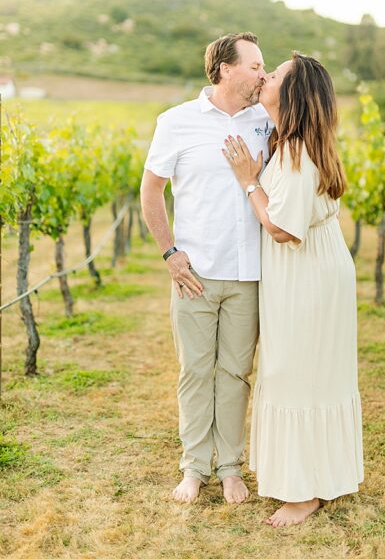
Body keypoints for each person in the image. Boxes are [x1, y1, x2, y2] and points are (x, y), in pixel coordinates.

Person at [222, 52, 363, 527]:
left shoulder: (299, 149)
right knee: (302, 371)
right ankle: (314, 476)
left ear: (294, 93)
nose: (266, 76)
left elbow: (283, 228)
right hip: (305, 272)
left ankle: (305, 492)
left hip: (307, 274)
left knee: (299, 373)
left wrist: (248, 182)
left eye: (276, 74)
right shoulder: (294, 144)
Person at [140, 32, 271, 504]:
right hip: (194, 274)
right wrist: (170, 253)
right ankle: (195, 467)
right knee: (196, 372)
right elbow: (151, 191)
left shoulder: (267, 121)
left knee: (236, 373)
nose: (262, 74)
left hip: (249, 273)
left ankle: (232, 467)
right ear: (224, 69)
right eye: (255, 66)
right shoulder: (176, 122)